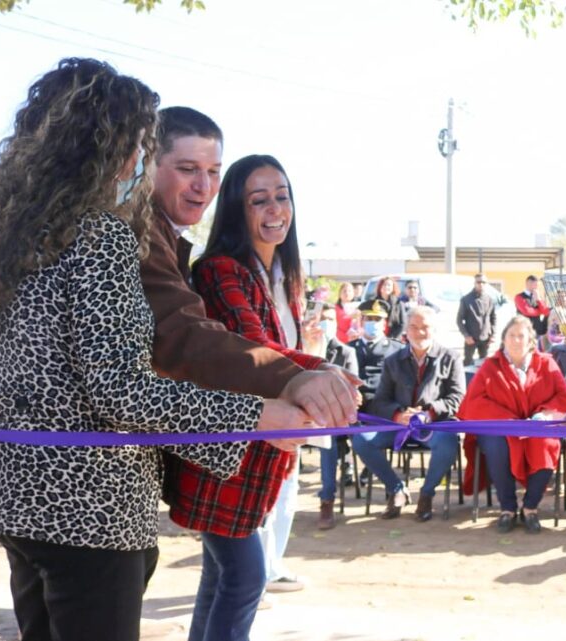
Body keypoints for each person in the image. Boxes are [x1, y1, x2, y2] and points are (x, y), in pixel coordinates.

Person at [0, 59, 306, 641]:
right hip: (89, 510)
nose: (141, 163)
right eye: (143, 146)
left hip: (9, 496)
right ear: (111, 148)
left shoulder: (1, 235)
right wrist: (255, 416)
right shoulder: (103, 233)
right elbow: (121, 390)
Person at [169, 154, 327, 639]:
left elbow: (282, 351)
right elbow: (252, 346)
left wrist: (314, 358)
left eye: (282, 196)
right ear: (237, 210)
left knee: (220, 578)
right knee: (245, 578)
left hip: (260, 453)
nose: (275, 208)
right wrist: (324, 371)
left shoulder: (284, 274)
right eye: (259, 200)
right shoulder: (220, 269)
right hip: (222, 455)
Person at [140, 107, 356, 426]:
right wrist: (302, 374)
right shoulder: (208, 264)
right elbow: (188, 338)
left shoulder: (288, 277)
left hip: (273, 446)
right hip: (233, 453)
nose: (203, 185)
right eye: (188, 169)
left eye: (213, 171)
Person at [459, 316, 566, 534]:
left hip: (536, 428)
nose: (516, 340)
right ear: (503, 339)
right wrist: (507, 420)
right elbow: (473, 402)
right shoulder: (490, 366)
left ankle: (530, 507)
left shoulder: (547, 363)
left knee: (548, 444)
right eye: (511, 335)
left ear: (531, 340)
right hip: (500, 428)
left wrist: (545, 414)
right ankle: (508, 509)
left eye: (522, 336)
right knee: (496, 446)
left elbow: (564, 397)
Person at [352, 306, 466, 521]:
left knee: (448, 443)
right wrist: (398, 415)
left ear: (434, 329)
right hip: (400, 426)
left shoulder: (450, 358)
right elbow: (380, 401)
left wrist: (430, 413)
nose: (419, 332)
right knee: (361, 440)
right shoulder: (393, 360)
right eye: (414, 327)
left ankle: (427, 494)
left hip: (434, 425)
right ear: (406, 330)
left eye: (425, 327)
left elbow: (457, 397)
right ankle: (396, 489)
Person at [303, 304, 360, 530]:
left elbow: (351, 390)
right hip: (302, 413)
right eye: (321, 319)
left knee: (326, 439)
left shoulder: (346, 353)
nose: (325, 324)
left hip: (334, 416)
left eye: (330, 319)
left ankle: (326, 500)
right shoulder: (303, 348)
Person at [456, 272, 497, 366]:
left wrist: (493, 334)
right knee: (468, 363)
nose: (481, 284)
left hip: (485, 338)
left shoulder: (489, 299)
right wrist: (466, 335)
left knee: (484, 364)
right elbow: (459, 320)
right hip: (471, 338)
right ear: (474, 283)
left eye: (483, 282)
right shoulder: (466, 299)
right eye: (478, 282)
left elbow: (493, 318)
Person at [365, 275, 406, 341]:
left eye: (389, 285)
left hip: (394, 338)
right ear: (380, 287)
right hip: (376, 338)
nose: (386, 287)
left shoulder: (398, 303)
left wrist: (391, 338)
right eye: (384, 285)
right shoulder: (373, 303)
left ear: (393, 288)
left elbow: (402, 324)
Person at [514, 274, 550, 342]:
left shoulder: (537, 297)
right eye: (535, 285)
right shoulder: (519, 297)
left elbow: (546, 311)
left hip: (537, 331)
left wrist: (538, 299)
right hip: (524, 330)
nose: (536, 287)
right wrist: (539, 311)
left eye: (537, 285)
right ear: (528, 283)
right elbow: (527, 311)